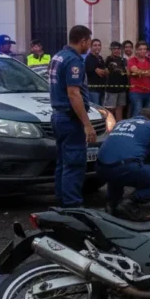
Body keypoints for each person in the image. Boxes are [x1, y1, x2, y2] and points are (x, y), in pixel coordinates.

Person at [96, 108, 150, 219]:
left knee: (116, 170)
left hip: (100, 167)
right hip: (125, 167)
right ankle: (130, 202)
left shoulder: (120, 123)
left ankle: (112, 203)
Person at [48, 25, 96, 207]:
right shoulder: (73, 61)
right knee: (74, 164)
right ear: (83, 41)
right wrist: (87, 124)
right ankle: (73, 207)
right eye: (89, 42)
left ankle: (61, 204)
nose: (89, 46)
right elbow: (74, 93)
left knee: (63, 163)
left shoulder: (58, 56)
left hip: (58, 116)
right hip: (70, 118)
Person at [127, 41, 150, 114]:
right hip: (136, 92)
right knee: (137, 113)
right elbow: (136, 71)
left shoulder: (149, 60)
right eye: (140, 49)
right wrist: (147, 72)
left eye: (145, 49)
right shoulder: (132, 60)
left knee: (148, 114)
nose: (143, 51)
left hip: (149, 91)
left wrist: (141, 73)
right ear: (136, 50)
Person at [103, 41, 128, 121]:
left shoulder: (124, 60)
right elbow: (106, 72)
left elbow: (126, 72)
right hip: (111, 89)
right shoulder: (108, 59)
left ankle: (118, 126)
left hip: (122, 89)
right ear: (111, 49)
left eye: (118, 49)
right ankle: (109, 126)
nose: (116, 50)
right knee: (110, 110)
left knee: (119, 109)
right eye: (114, 49)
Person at [85, 39, 107, 106]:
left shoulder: (100, 58)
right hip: (93, 90)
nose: (97, 47)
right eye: (95, 45)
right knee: (96, 109)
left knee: (101, 109)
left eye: (99, 45)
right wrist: (105, 71)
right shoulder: (89, 59)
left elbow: (105, 72)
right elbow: (101, 73)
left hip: (101, 89)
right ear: (91, 47)